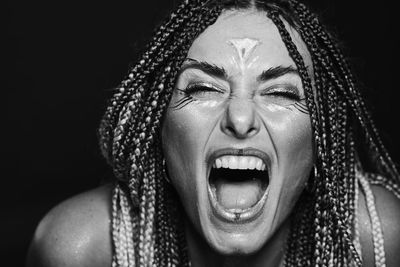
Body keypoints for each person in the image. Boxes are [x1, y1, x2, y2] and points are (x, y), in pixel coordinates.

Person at [27, 0, 400, 266]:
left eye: (281, 92)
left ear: (322, 139)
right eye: (203, 89)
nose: (239, 118)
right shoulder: (81, 250)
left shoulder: (378, 240)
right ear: (158, 126)